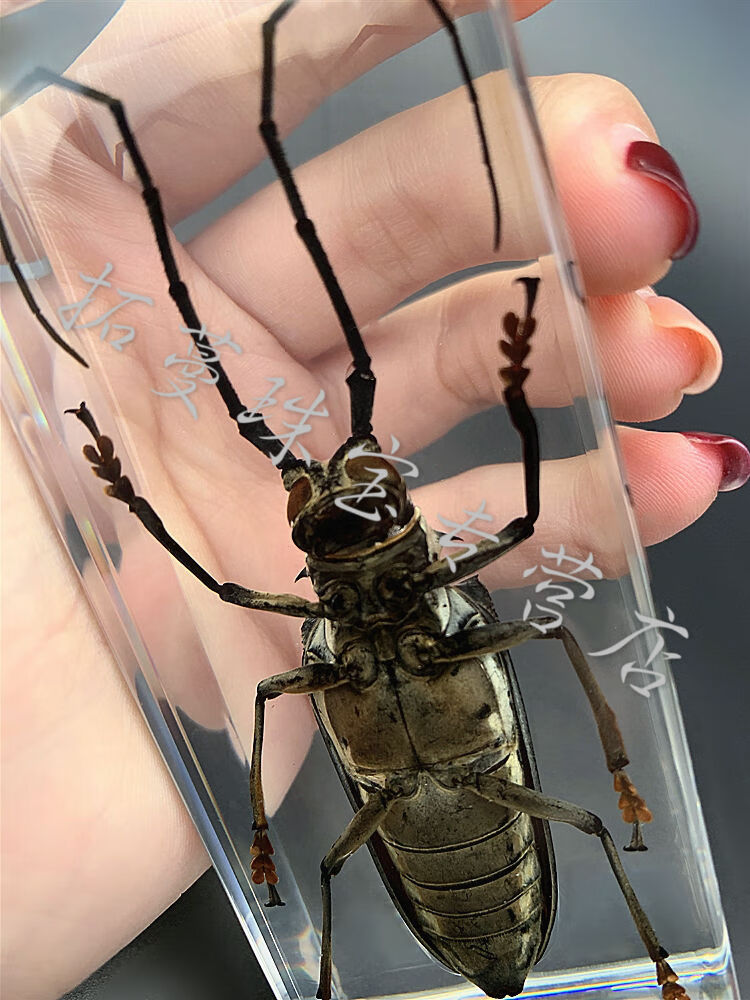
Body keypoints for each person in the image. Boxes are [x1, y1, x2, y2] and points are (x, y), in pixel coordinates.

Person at [1, 2, 748, 999]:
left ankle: (657, 957)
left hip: (484, 820)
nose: (337, 494)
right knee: (331, 844)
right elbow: (248, 617)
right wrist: (125, 494)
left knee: (541, 800)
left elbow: (245, 599)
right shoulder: (419, 615)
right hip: (426, 834)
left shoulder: (342, 637)